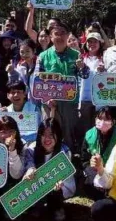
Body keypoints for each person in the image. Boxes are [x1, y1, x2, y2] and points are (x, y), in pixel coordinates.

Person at [34, 22, 88, 152]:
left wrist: (83, 67)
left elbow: (84, 75)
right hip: (49, 103)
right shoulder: (43, 56)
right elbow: (37, 81)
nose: (60, 36)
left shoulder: (76, 55)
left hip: (70, 102)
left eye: (63, 33)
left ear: (68, 35)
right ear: (51, 37)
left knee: (68, 134)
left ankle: (69, 163)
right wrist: (46, 99)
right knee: (49, 133)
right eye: (56, 34)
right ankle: (48, 162)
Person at [23, 118, 77, 221]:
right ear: (39, 135)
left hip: (57, 187)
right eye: (44, 134)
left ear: (58, 135)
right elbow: (29, 162)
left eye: (51, 135)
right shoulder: (31, 148)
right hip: (37, 185)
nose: (47, 139)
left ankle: (56, 207)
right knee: (29, 178)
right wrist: (30, 169)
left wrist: (60, 186)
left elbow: (66, 177)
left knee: (56, 189)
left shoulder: (64, 151)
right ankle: (36, 206)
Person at [81, 107, 116, 191]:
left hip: (114, 170)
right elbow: (84, 159)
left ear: (113, 121)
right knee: (89, 183)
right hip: (95, 169)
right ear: (95, 119)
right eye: (100, 118)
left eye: (107, 119)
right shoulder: (89, 135)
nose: (102, 122)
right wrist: (91, 164)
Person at [78, 31, 107, 131]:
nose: (92, 44)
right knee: (85, 127)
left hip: (100, 99)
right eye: (89, 42)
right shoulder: (81, 58)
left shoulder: (105, 58)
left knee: (99, 126)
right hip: (84, 98)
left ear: (100, 43)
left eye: (95, 42)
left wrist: (104, 71)